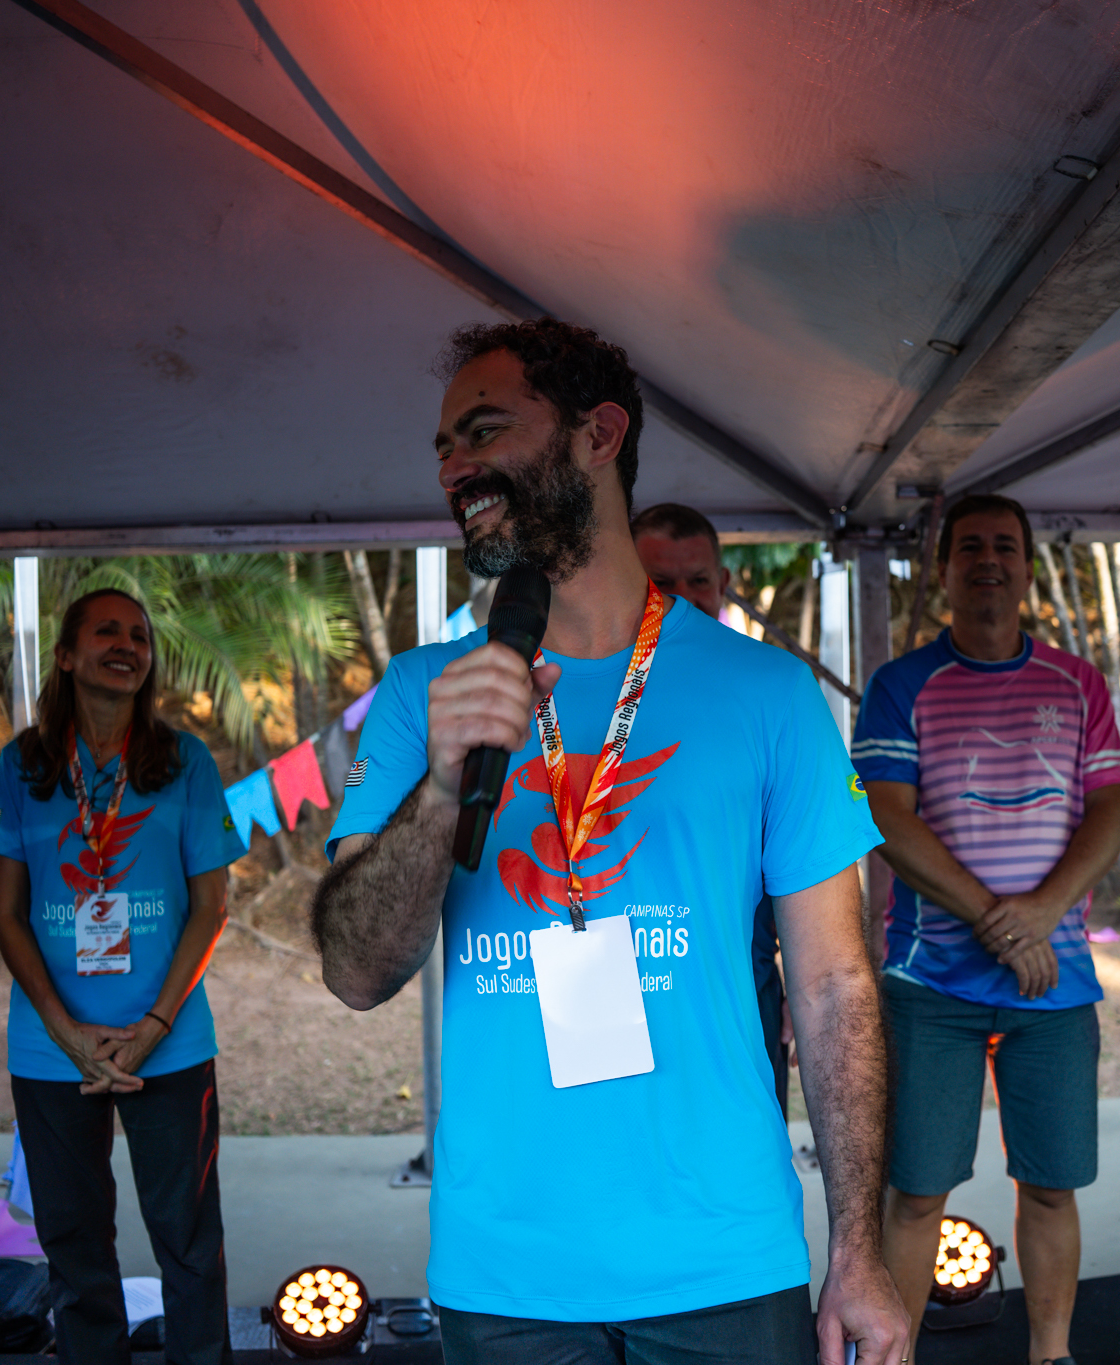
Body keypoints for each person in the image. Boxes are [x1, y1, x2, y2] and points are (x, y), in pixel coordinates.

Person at [315, 318, 907, 1365]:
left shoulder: (768, 692)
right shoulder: (420, 694)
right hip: (506, 1274)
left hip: (726, 1257)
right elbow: (356, 971)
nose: (453, 468)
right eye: (443, 448)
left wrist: (858, 1248)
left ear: (598, 435)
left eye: (483, 431)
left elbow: (831, 986)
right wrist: (443, 788)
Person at [853, 494, 1120, 1365]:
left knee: (1050, 1188)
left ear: (1025, 565)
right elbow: (887, 818)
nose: (989, 560)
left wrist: (1042, 915)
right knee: (915, 1195)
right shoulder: (902, 685)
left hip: (1057, 985)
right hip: (930, 984)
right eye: (969, 546)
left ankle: (1051, 1354)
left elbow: (1114, 806)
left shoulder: (1078, 682)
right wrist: (1000, 923)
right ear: (942, 567)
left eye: (1005, 546)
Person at [0, 588, 240, 1365]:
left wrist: (154, 1025)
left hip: (168, 1041)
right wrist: (66, 1032)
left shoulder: (185, 761)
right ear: (65, 655)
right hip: (51, 1049)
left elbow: (211, 905)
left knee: (189, 1241)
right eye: (106, 631)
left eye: (139, 635)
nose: (127, 644)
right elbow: (6, 914)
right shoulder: (23, 764)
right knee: (73, 1241)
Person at [629, 502, 801, 1116]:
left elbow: (802, 865)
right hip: (622, 984)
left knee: (748, 1156)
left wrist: (804, 989)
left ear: (723, 583)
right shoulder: (579, 696)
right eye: (661, 583)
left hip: (743, 987)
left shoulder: (766, 693)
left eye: (698, 580)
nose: (682, 599)